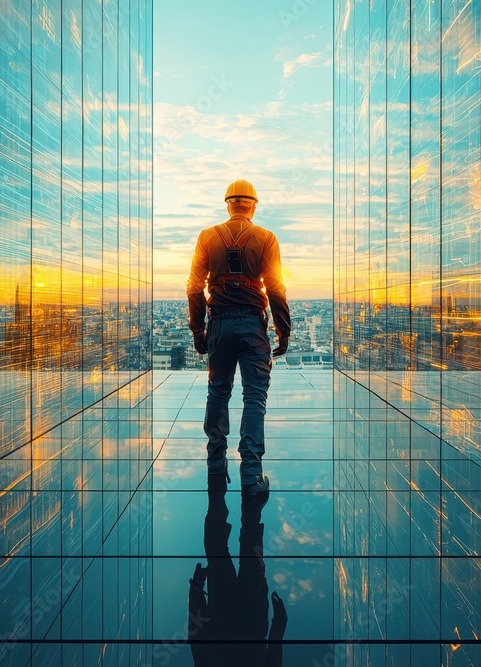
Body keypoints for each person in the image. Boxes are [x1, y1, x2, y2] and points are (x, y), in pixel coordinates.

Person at [186, 179, 291, 494]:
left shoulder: (207, 237)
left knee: (218, 393)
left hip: (218, 325)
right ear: (253, 205)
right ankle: (250, 474)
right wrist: (282, 329)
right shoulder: (266, 238)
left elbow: (194, 285)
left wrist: (197, 328)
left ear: (228, 203)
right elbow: (275, 287)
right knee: (254, 397)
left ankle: (215, 463)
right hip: (252, 326)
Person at [187, 488, 287, 665]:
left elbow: (198, 643)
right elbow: (198, 644)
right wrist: (278, 624)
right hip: (246, 616)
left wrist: (196, 592)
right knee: (233, 551)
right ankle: (246, 502)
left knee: (220, 550)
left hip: (227, 615)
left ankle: (223, 490)